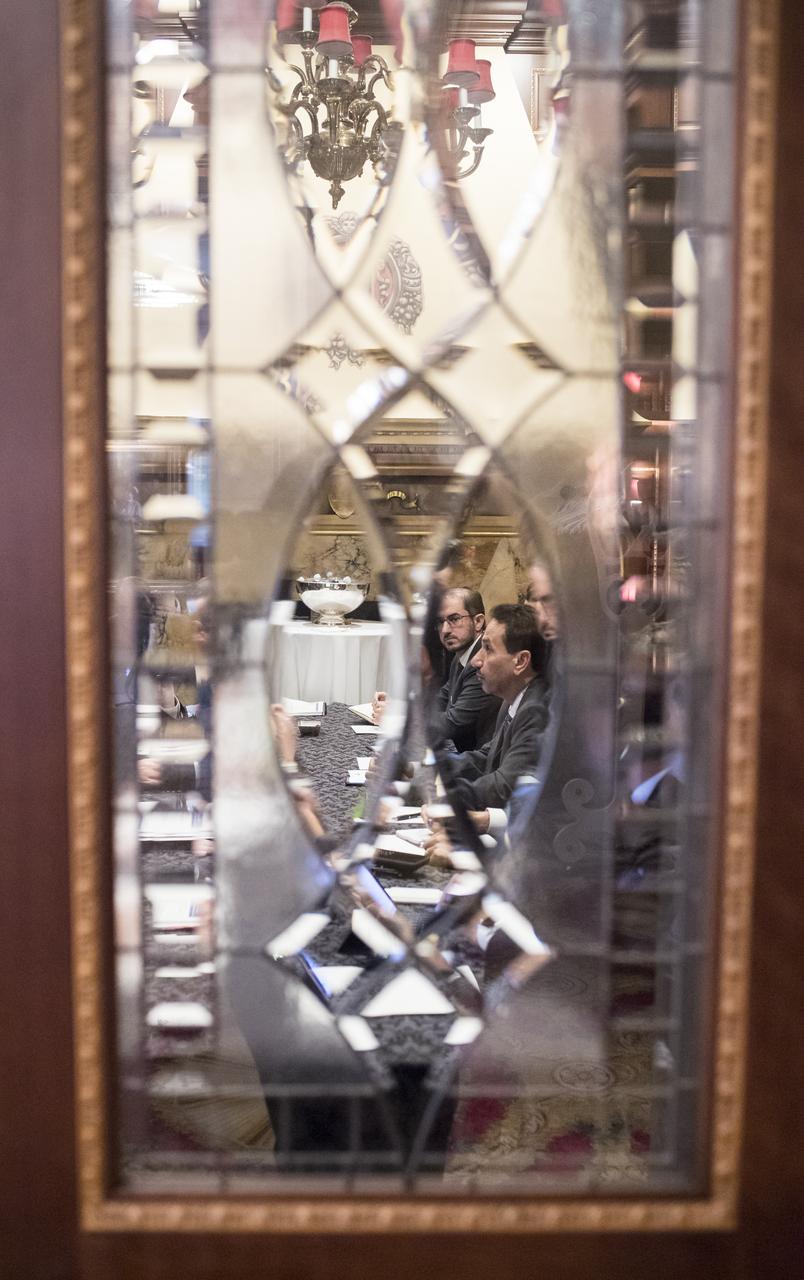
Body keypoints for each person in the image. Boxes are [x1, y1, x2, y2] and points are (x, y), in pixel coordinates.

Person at [437, 603, 550, 813]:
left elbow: (504, 786)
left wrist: (442, 796)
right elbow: (485, 759)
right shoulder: (513, 697)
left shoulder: (536, 710)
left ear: (521, 661)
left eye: (488, 648)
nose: (476, 661)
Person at [425, 587, 501, 751]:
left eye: (454, 619)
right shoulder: (461, 654)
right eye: (440, 622)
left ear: (479, 621)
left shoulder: (482, 662)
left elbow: (453, 723)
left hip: (480, 761)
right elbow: (442, 699)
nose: (445, 630)